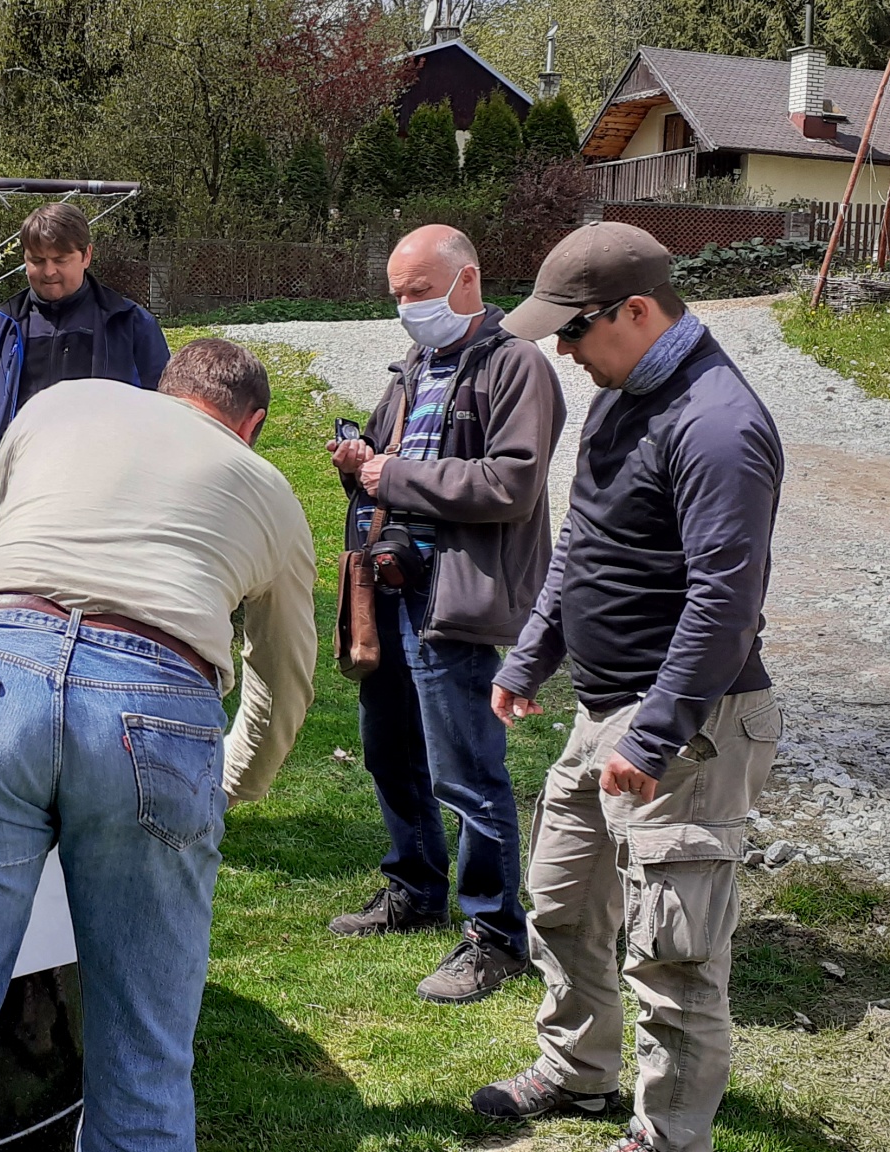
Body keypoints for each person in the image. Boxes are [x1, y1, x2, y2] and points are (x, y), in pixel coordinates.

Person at [0, 339, 317, 1152]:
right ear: (254, 424)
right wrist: (231, 785)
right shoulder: (269, 490)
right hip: (157, 697)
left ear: (162, 391)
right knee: (144, 1067)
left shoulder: (62, 404)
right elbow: (285, 680)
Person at [468, 223, 784, 1152]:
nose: (563, 352)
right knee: (563, 900)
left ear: (636, 311)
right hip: (605, 712)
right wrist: (532, 654)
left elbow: (725, 603)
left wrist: (653, 736)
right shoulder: (621, 396)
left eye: (573, 331)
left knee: (673, 953)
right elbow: (584, 542)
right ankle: (578, 1071)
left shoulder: (718, 425)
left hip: (689, 729)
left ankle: (669, 1136)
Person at [323, 223, 564, 1005]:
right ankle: (415, 889)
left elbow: (511, 484)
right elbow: (383, 467)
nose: (407, 307)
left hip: (455, 595)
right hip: (390, 586)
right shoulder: (414, 366)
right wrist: (358, 463)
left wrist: (394, 475)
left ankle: (495, 933)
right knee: (389, 752)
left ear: (467, 281)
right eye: (398, 295)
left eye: (419, 292)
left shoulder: (517, 366)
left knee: (466, 770)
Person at [0, 202, 171, 492]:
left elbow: (165, 409)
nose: (49, 271)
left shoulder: (130, 324)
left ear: (86, 256)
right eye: (37, 260)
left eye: (60, 259)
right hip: (13, 490)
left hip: (105, 489)